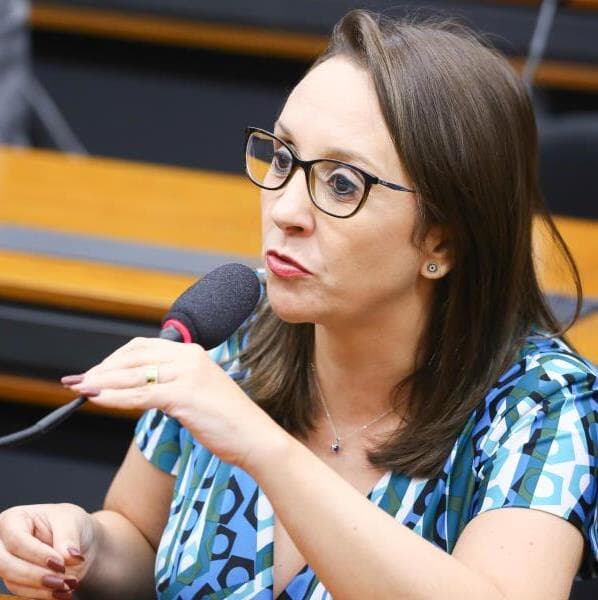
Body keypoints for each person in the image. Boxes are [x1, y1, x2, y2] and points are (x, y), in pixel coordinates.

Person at [0, 8, 596, 599]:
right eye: (283, 158)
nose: (285, 209)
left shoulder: (543, 405)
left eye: (342, 183)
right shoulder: (238, 333)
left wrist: (264, 448)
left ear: (442, 242)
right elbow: (141, 537)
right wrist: (82, 546)